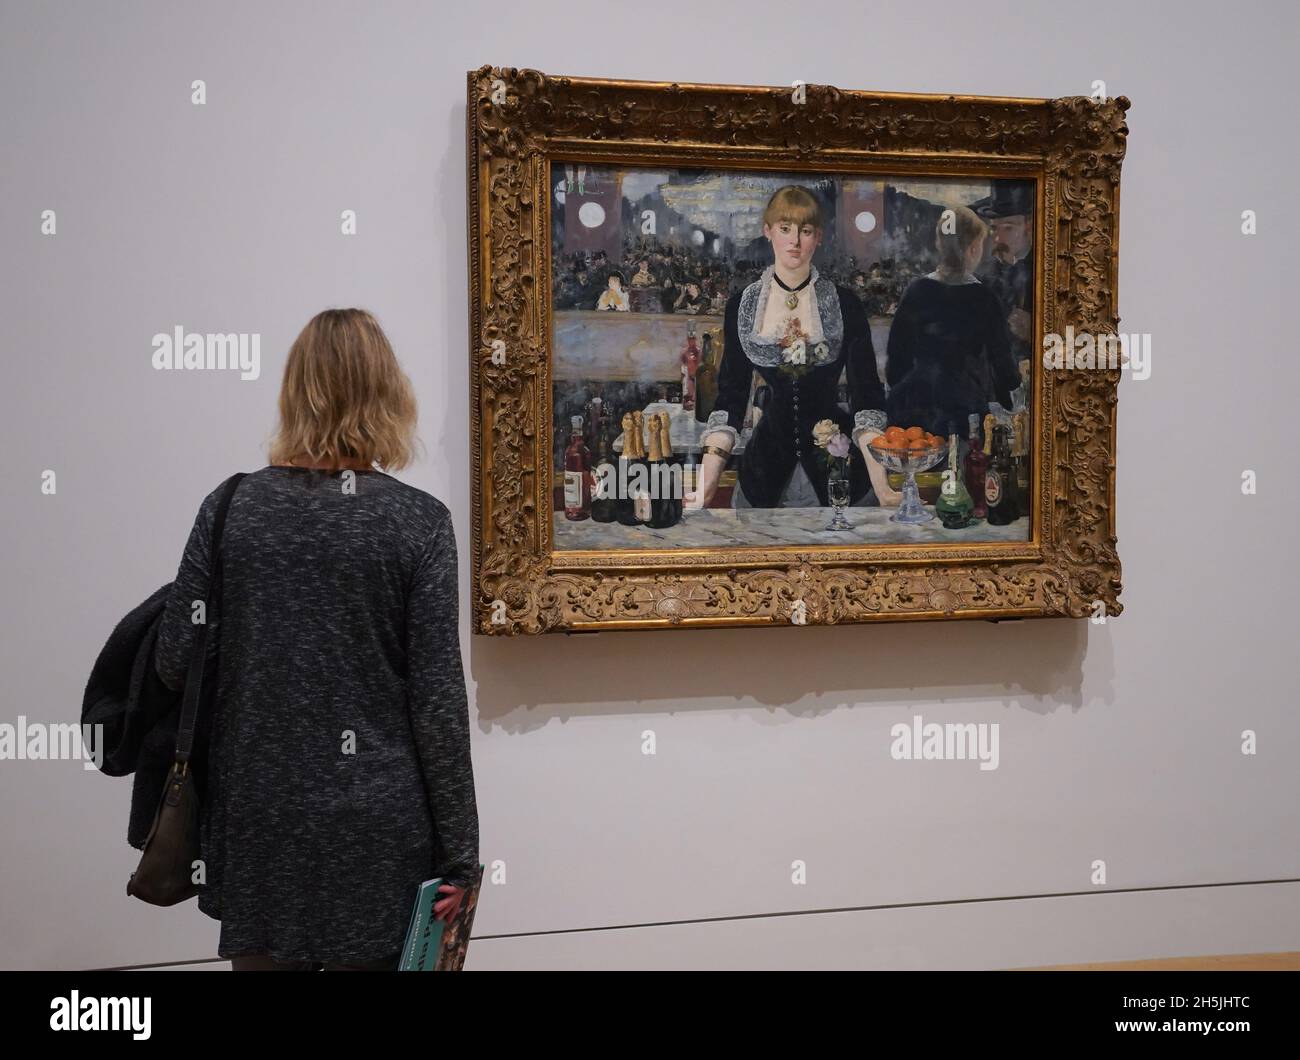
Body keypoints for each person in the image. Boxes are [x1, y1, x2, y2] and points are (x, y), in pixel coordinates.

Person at [153, 308, 479, 971]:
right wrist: (462, 857)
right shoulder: (418, 523)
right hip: (379, 828)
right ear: (390, 394)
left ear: (294, 390)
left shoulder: (230, 509)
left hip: (259, 820)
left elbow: (173, 663)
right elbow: (437, 707)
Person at [686, 185, 901, 510]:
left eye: (805, 231)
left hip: (840, 471)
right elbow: (731, 399)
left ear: (818, 237)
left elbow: (867, 398)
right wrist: (708, 483)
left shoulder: (844, 304)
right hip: (764, 473)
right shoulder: (743, 306)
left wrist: (882, 486)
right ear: (768, 231)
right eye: (785, 229)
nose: (795, 241)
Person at [884, 205, 1019, 441]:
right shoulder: (984, 298)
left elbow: (895, 362)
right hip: (965, 415)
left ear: (939, 243)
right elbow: (1003, 366)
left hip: (913, 415)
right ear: (974, 248)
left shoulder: (916, 291)